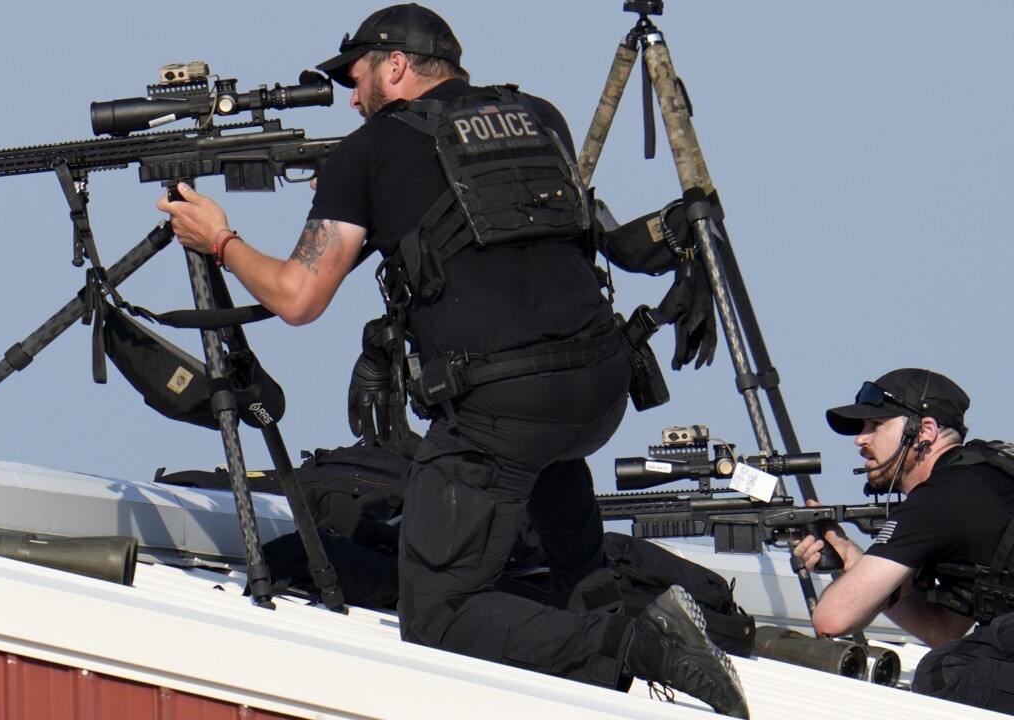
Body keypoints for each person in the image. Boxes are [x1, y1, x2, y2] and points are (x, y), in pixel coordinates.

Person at [158, 5, 746, 716]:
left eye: (357, 76)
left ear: (396, 66)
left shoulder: (367, 153)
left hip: (503, 406)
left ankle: (642, 648)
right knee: (556, 501)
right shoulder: (538, 116)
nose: (352, 96)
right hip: (597, 385)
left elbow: (298, 295)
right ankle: (605, 634)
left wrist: (219, 239)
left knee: (438, 616)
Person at [796, 368, 1014, 713]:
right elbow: (947, 630)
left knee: (944, 673)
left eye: (875, 425)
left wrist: (856, 574)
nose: (860, 440)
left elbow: (831, 619)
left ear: (924, 430)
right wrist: (856, 562)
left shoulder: (940, 497)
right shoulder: (982, 474)